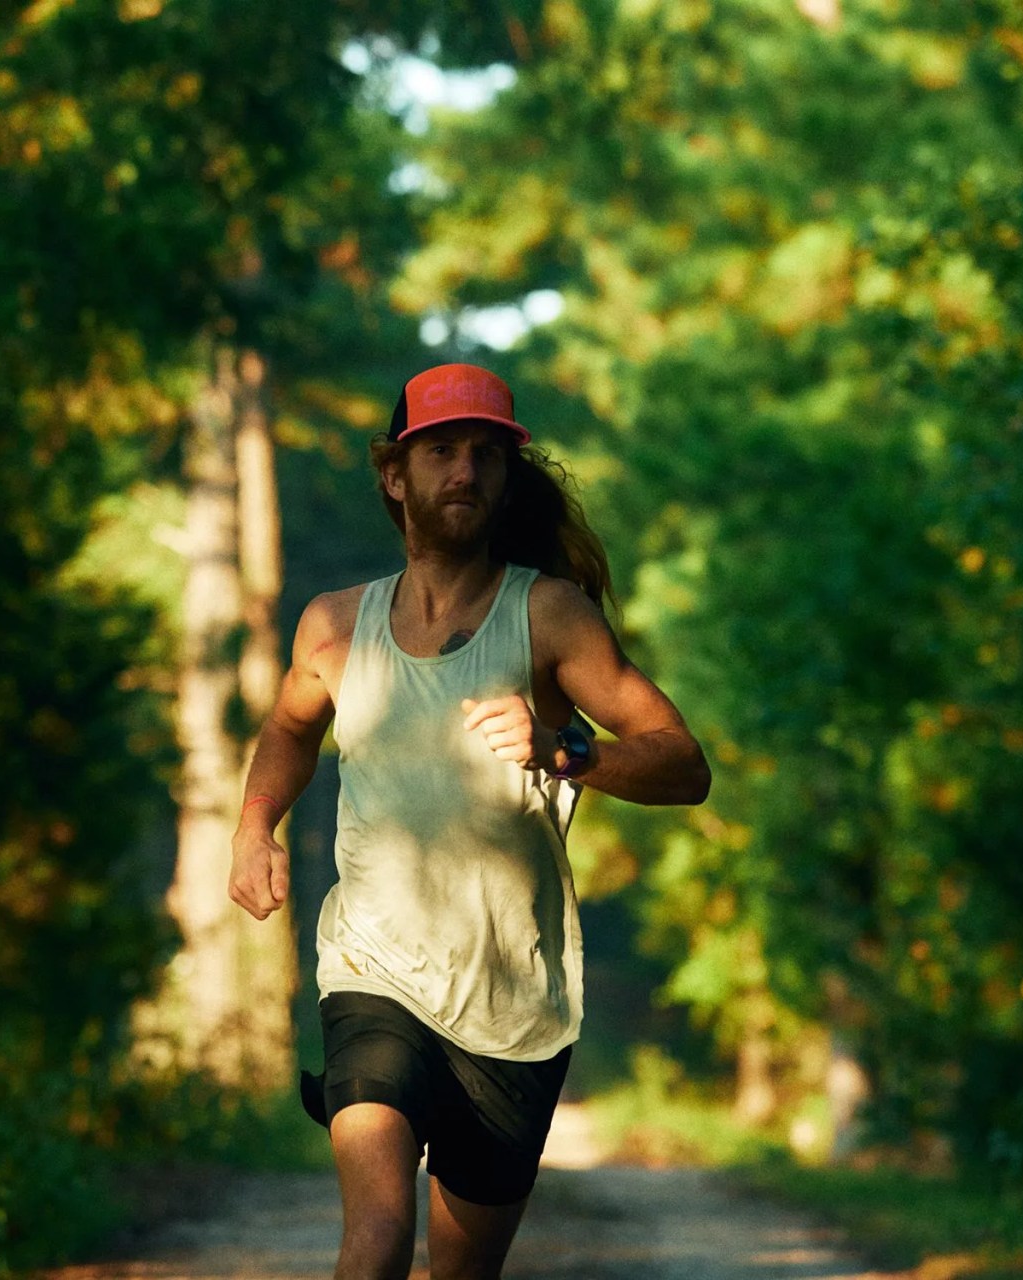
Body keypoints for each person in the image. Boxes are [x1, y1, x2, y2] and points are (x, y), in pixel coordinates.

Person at [228, 362, 711, 1280]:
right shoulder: (332, 627)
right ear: (393, 475)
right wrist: (256, 827)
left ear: (506, 476)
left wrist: (568, 750)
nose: (465, 472)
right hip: (372, 969)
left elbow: (684, 763)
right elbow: (290, 728)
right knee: (374, 1238)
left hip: (513, 998)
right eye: (441, 451)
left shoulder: (551, 617)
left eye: (487, 455)